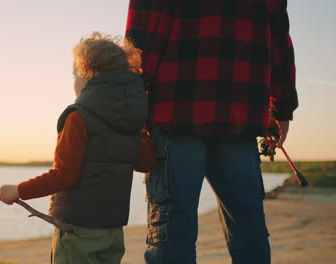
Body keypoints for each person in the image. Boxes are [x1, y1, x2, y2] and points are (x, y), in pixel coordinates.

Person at [125, 0, 298, 263]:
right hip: (240, 117)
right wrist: (281, 107)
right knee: (248, 230)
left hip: (176, 113)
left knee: (172, 233)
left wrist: (131, 98)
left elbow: (142, 37)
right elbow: (279, 44)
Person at [0, 32, 153, 264]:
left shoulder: (79, 117)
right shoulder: (132, 119)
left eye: (74, 75)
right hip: (112, 230)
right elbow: (146, 163)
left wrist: (18, 190)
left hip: (76, 229)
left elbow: (64, 175)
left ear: (88, 73)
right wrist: (141, 133)